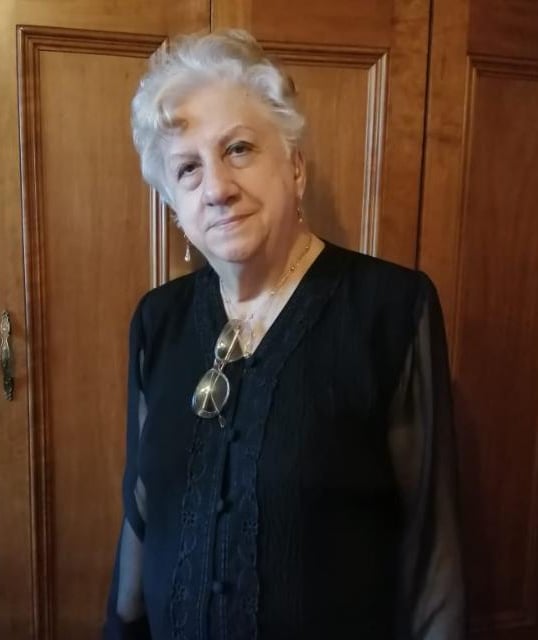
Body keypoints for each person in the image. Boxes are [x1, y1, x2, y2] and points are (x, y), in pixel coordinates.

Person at [103, 29, 465, 640]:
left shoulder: (391, 309)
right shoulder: (157, 321)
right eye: (188, 169)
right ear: (172, 205)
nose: (217, 188)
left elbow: (431, 550)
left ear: (295, 166)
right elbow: (141, 515)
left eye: (239, 149)